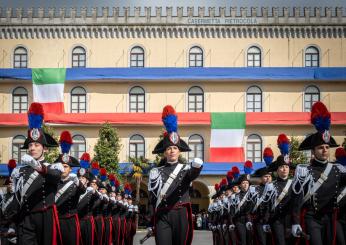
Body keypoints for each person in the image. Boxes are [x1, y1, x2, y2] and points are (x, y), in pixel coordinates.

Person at [291, 101, 346, 245]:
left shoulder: (338, 169)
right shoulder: (305, 171)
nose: (325, 150)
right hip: (312, 218)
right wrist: (295, 222)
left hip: (330, 219)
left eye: (327, 147)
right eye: (321, 147)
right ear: (313, 151)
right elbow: (296, 199)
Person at [147, 105, 203, 245]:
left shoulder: (185, 169)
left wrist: (197, 167)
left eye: (175, 148)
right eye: (169, 148)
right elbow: (152, 200)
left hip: (181, 214)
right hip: (163, 215)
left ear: (179, 151)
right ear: (164, 152)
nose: (172, 151)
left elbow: (193, 174)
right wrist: (150, 222)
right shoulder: (156, 172)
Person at [10, 102, 64, 245]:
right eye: (30, 145)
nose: (32, 148)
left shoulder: (53, 167)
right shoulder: (20, 171)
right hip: (26, 219)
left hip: (45, 218)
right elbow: (17, 199)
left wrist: (39, 167)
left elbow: (55, 177)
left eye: (37, 145)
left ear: (45, 149)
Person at [54, 131, 86, 245]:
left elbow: (83, 190)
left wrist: (78, 182)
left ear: (70, 169)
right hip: (55, 221)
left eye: (66, 166)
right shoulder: (53, 182)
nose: (63, 169)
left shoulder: (74, 183)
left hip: (70, 222)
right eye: (61, 166)